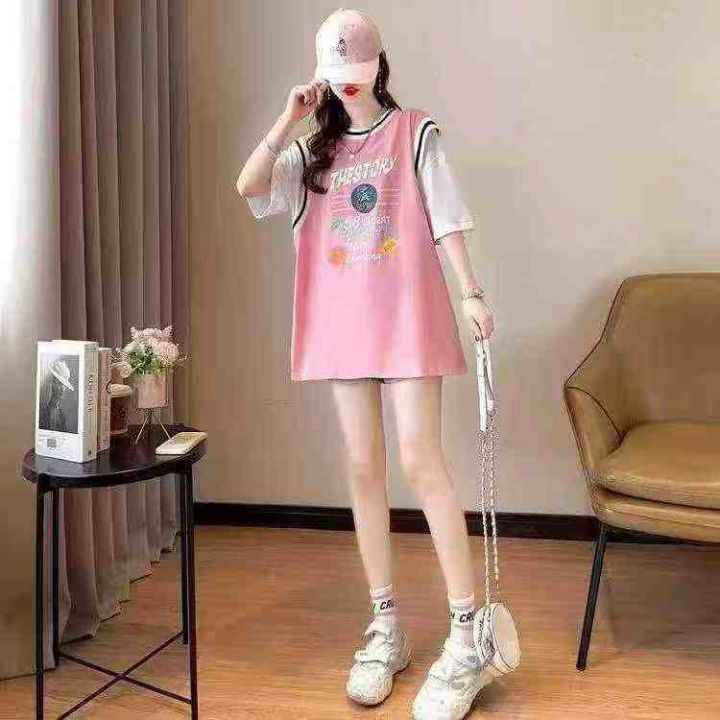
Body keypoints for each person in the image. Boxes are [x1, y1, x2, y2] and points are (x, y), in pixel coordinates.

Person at [236, 9, 495, 719]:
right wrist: (288, 118)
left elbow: (445, 218)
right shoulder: (311, 153)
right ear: (323, 75)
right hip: (343, 325)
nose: (349, 85)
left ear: (379, 64)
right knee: (362, 467)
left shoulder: (414, 131)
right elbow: (249, 186)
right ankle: (386, 625)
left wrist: (471, 293)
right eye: (337, 75)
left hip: (407, 316)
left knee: (421, 461)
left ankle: (467, 631)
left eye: (358, 71)